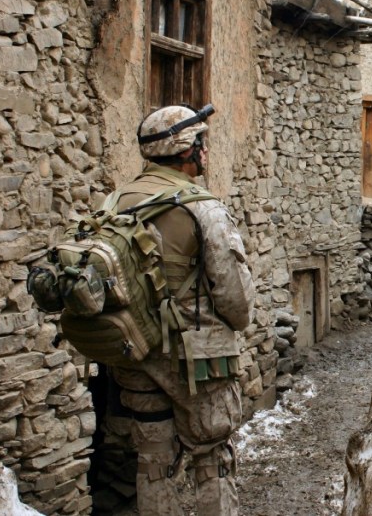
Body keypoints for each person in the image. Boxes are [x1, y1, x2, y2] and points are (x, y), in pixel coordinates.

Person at [109, 104, 255, 516]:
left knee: (153, 462)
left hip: (136, 353)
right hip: (198, 362)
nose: (206, 151)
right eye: (201, 143)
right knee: (213, 458)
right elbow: (235, 300)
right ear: (186, 149)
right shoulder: (203, 208)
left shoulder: (115, 201)